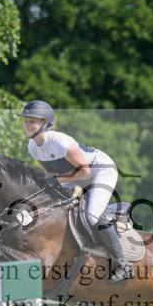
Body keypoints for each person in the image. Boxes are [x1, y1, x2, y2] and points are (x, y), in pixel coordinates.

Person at [21, 99, 134, 281]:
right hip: (74, 174)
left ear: (46, 124)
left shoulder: (59, 141)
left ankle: (123, 263)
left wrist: (56, 180)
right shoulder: (33, 147)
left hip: (99, 170)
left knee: (93, 216)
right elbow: (50, 174)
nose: (27, 125)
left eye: (32, 121)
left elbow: (85, 171)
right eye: (26, 121)